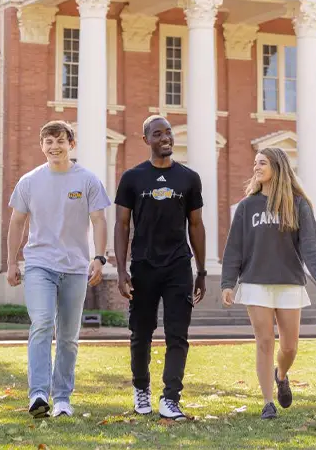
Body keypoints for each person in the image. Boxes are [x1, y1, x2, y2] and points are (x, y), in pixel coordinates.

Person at [6, 121, 109, 419]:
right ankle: (38, 393)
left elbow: (99, 220)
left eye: (60, 140)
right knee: (41, 322)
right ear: (42, 146)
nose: (54, 146)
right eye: (48, 141)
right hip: (39, 264)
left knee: (67, 336)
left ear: (71, 144)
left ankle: (62, 397)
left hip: (75, 268)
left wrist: (99, 257)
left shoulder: (87, 180)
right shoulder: (29, 181)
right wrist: (13, 262)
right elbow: (16, 222)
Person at [220, 147, 316, 420]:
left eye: (262, 163)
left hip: (289, 282)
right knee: (264, 341)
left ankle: (281, 375)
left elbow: (310, 243)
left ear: (277, 168)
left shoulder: (297, 204)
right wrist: (227, 282)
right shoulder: (247, 206)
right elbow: (234, 247)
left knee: (290, 346)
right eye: (255, 163)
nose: (256, 168)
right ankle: (268, 403)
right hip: (255, 281)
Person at [115, 115, 206, 421]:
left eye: (168, 133)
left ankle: (171, 398)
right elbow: (122, 225)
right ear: (146, 140)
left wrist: (202, 271)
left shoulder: (189, 178)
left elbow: (196, 224)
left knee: (178, 335)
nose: (165, 137)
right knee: (141, 333)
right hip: (143, 265)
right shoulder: (132, 178)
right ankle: (141, 389)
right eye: (158, 134)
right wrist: (121, 270)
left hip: (179, 265)